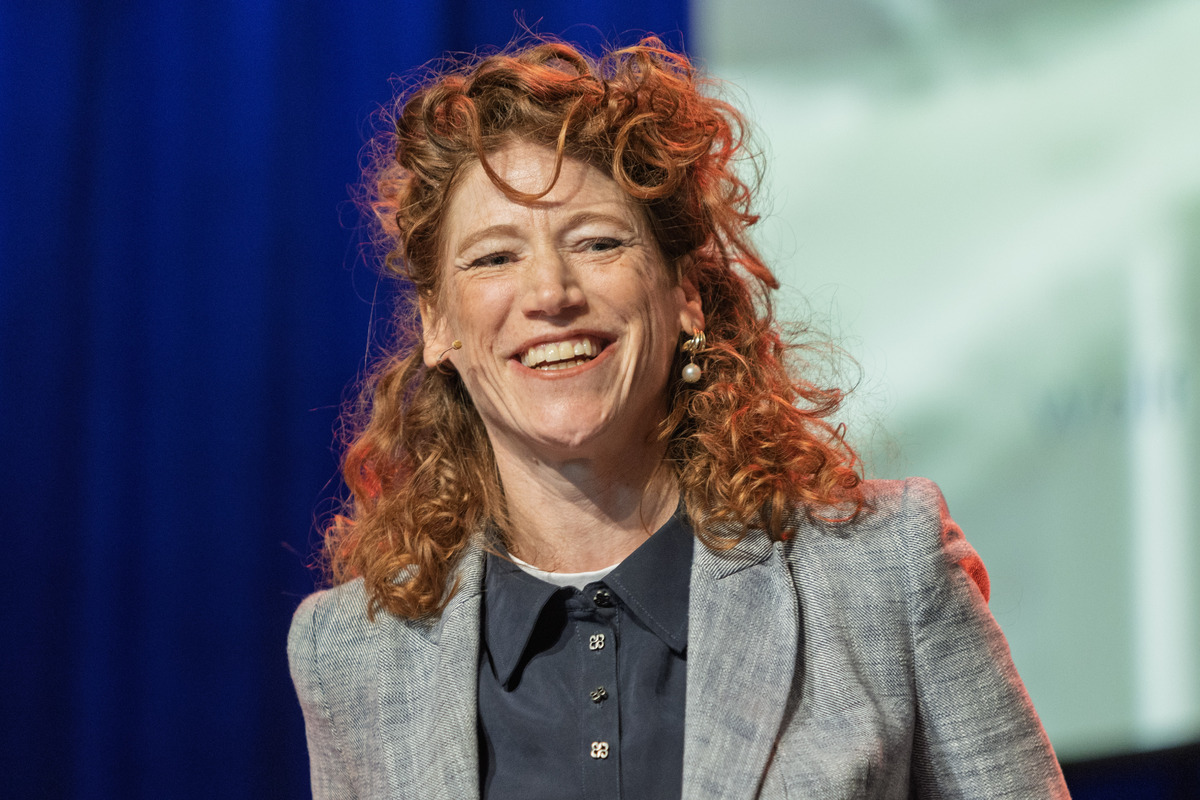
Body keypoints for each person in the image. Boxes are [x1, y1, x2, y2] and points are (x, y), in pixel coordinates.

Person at [287, 37, 1071, 799]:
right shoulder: (352, 654)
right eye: (495, 257)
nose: (550, 292)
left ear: (684, 294)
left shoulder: (884, 572)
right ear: (437, 326)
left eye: (598, 243)